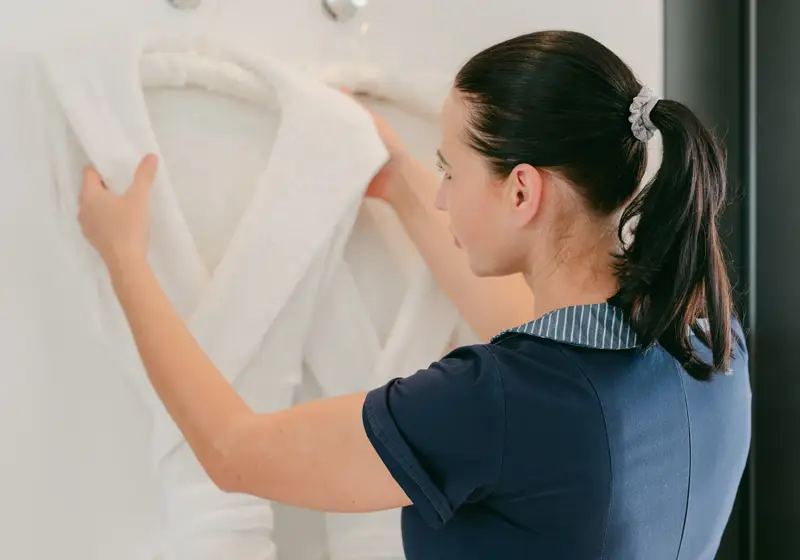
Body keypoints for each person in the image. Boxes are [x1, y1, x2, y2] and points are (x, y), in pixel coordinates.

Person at [77, 30, 751, 559]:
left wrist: (127, 261)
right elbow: (542, 347)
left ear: (522, 191)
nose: (440, 195)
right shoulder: (708, 341)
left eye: (448, 170)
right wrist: (399, 183)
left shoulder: (493, 403)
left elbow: (233, 453)